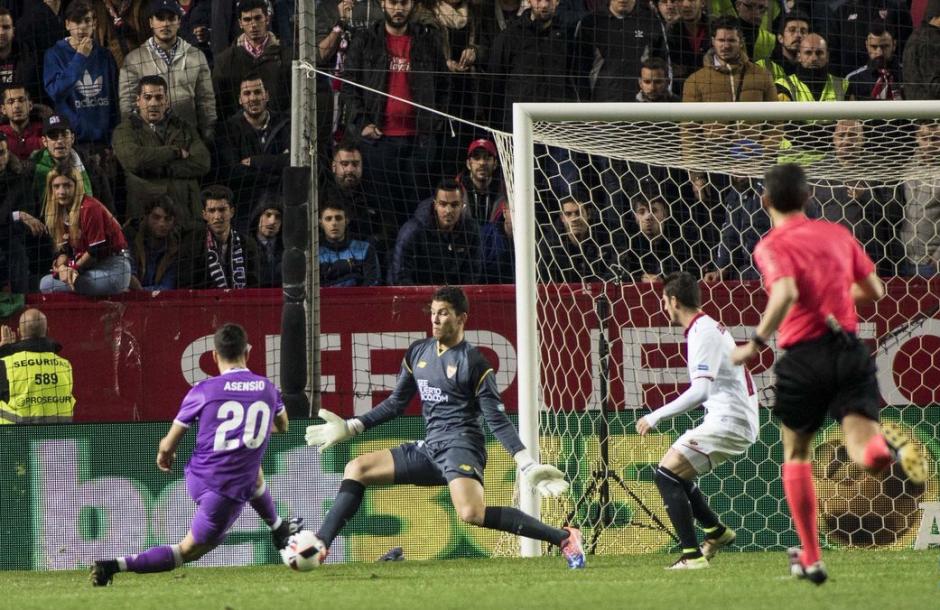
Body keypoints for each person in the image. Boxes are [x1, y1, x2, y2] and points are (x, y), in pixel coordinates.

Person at [730, 163, 928, 584]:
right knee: (863, 448)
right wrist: (833, 294)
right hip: (849, 350)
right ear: (808, 198)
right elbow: (875, 290)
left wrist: (755, 343)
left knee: (797, 453)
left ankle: (812, 558)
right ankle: (887, 455)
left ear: (765, 201)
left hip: (803, 356)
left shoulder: (770, 245)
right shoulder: (838, 234)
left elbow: (785, 291)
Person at [304, 285, 585, 568]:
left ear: (461, 318)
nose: (435, 319)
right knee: (357, 468)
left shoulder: (474, 363)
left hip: (462, 447)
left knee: (471, 513)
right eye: (433, 312)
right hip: (431, 447)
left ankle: (564, 537)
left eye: (444, 313)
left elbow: (496, 419)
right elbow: (396, 403)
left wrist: (526, 463)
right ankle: (320, 544)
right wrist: (352, 426)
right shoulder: (418, 352)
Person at [90, 323, 302, 586]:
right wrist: (250, 432)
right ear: (247, 353)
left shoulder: (203, 389)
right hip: (223, 492)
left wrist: (164, 455)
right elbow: (283, 426)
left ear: (214, 355)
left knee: (252, 470)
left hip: (197, 475)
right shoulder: (267, 388)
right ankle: (113, 566)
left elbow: (168, 445)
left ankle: (279, 527)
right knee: (187, 551)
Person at [636, 271, 757, 568]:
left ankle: (692, 556)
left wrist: (656, 416)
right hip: (734, 417)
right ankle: (716, 532)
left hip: (731, 419)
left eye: (664, 300)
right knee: (675, 474)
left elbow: (701, 391)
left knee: (665, 475)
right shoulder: (706, 326)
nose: (664, 306)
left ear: (674, 301)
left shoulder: (702, 332)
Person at [112, 74, 211, 223]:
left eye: (159, 97)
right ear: (138, 101)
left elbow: (202, 162)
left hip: (187, 215)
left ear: (166, 101)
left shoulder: (183, 127)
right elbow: (134, 160)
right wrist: (174, 152)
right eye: (147, 97)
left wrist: (160, 168)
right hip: (146, 218)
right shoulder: (124, 130)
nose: (153, 103)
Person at [119, 0, 216, 142]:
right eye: (160, 18)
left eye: (171, 18)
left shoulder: (196, 56)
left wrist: (207, 136)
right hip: (150, 144)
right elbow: (127, 106)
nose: (165, 24)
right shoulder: (133, 60)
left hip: (189, 139)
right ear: (151, 22)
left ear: (179, 22)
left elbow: (206, 102)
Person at [38, 163, 131, 296]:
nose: (61, 192)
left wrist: (73, 269)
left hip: (113, 267)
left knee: (69, 283)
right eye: (56, 186)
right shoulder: (59, 212)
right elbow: (63, 251)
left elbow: (95, 251)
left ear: (77, 187)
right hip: (88, 269)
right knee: (46, 283)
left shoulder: (89, 207)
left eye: (67, 185)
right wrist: (63, 267)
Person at [216, 74, 289, 229]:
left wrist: (256, 162)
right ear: (240, 99)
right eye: (247, 93)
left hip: (281, 205)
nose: (253, 98)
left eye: (257, 92)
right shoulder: (228, 129)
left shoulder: (285, 123)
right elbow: (234, 172)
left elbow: (292, 161)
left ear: (266, 95)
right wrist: (275, 173)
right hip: (245, 207)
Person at [43, 1, 120, 148]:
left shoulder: (105, 55)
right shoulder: (54, 54)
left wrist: (113, 136)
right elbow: (55, 92)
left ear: (94, 23)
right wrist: (80, 57)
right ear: (67, 24)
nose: (82, 27)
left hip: (105, 140)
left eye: (87, 20)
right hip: (72, 141)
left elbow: (114, 99)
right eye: (77, 21)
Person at [388, 179, 481, 286]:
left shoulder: (471, 230)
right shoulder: (412, 231)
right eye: (443, 204)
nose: (448, 211)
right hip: (417, 289)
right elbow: (400, 274)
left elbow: (472, 273)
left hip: (452, 292)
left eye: (454, 205)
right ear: (435, 205)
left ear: (462, 206)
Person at [212, 0, 291, 120]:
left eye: (258, 18)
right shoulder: (225, 61)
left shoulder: (286, 56)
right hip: (237, 128)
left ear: (267, 19)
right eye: (247, 20)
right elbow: (219, 104)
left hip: (279, 126)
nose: (253, 24)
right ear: (240, 23)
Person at [0, 308, 75, 424]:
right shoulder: (65, 365)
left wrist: (4, 351)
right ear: (47, 331)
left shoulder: (5, 364)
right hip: (59, 432)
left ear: (19, 332)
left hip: (15, 433)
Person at [177, 184, 259, 289]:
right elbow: (186, 286)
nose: (217, 216)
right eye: (212, 211)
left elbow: (254, 286)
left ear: (232, 212)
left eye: (222, 210)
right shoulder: (191, 244)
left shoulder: (248, 244)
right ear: (204, 215)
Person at [318, 200, 381, 287]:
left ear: (346, 221)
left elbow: (373, 283)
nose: (334, 223)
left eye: (338, 218)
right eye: (328, 219)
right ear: (321, 223)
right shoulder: (315, 255)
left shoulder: (365, 249)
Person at [124, 195, 181, 291]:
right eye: (156, 217)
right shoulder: (130, 239)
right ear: (146, 217)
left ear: (173, 221)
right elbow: (128, 278)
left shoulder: (175, 248)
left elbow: (167, 286)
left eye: (167, 219)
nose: (162, 224)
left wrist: (142, 291)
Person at [845, 24, 903, 101]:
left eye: (885, 46)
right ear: (866, 45)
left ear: (894, 45)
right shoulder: (854, 80)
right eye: (874, 47)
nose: (879, 52)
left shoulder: (908, 75)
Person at [902, 0, 940, 101]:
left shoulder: (916, 36)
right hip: (931, 108)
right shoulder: (932, 40)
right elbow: (935, 85)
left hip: (916, 107)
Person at [0, 83, 43, 160]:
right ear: (3, 109)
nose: (17, 106)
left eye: (21, 100)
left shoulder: (45, 132)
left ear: (30, 105)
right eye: (11, 102)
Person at [251, 195, 284, 288]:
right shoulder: (244, 246)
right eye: (268, 215)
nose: (272, 221)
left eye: (278, 217)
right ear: (258, 218)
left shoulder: (288, 248)